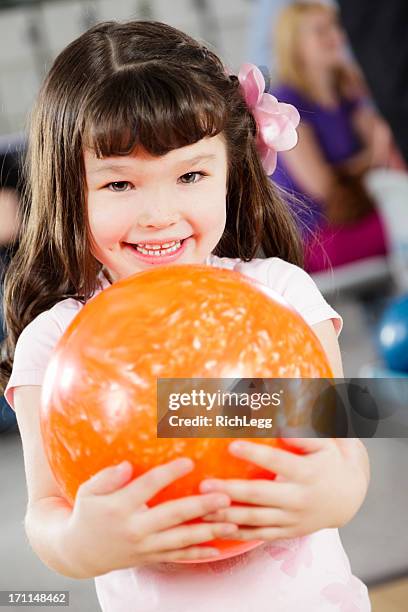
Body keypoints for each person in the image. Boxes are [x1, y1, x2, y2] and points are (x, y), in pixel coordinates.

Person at [0, 21, 370, 612]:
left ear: (231, 169)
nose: (158, 214)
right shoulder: (55, 341)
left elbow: (344, 457)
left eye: (191, 175)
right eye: (119, 183)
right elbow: (46, 515)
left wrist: (334, 493)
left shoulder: (282, 295)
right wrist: (83, 541)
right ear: (68, 191)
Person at [271, 1, 400, 273]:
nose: (337, 37)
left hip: (362, 213)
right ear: (296, 46)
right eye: (322, 31)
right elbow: (323, 186)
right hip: (320, 236)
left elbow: (387, 149)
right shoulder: (287, 104)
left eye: (336, 27)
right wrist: (372, 156)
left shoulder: (347, 91)